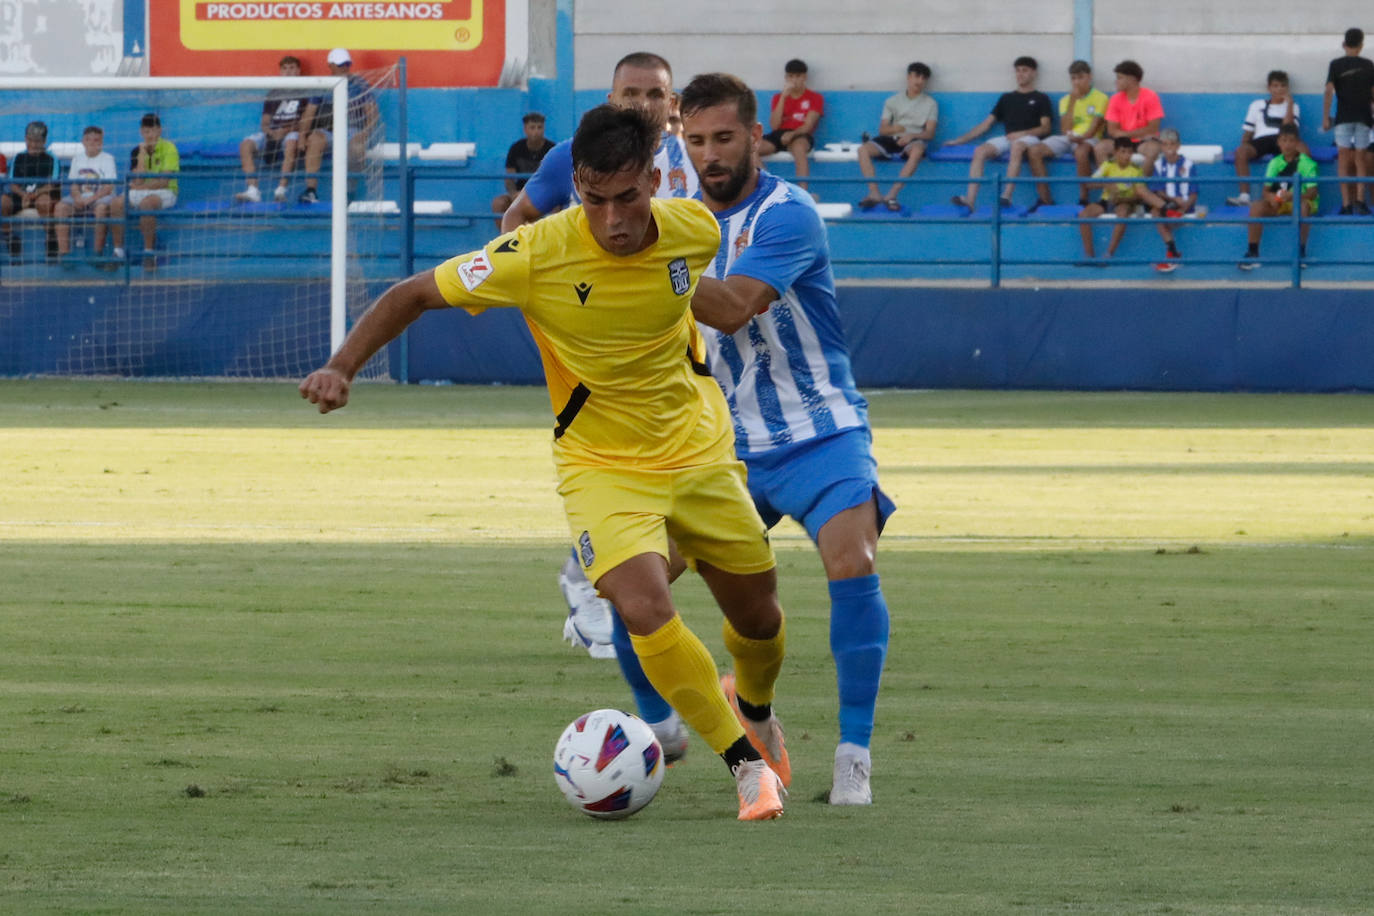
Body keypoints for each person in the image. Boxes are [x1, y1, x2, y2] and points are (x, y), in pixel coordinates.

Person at [300, 105, 788, 822]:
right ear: (578, 192)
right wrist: (342, 368)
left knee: (762, 619)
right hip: (601, 464)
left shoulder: (694, 230)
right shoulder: (534, 253)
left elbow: (685, 291)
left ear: (653, 181)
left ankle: (754, 707)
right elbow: (412, 295)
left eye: (627, 198)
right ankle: (746, 768)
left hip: (699, 451)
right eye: (594, 201)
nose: (613, 219)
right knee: (644, 606)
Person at [564, 72, 897, 806]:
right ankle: (665, 728)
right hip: (716, 443)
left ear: (755, 137)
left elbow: (736, 308)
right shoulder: (672, 216)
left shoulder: (787, 214)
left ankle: (853, 758)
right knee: (633, 589)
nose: (711, 154)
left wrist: (640, 257)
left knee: (853, 557)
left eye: (724, 138)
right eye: (697, 140)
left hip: (819, 429)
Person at [501, 51, 697, 231]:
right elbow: (517, 214)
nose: (643, 105)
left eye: (655, 95)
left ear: (671, 104)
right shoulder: (571, 155)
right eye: (630, 94)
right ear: (612, 100)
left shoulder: (694, 157)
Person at [946, 56, 1053, 212]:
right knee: (980, 151)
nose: (1020, 74)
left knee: (1017, 146)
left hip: (1030, 138)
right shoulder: (1006, 98)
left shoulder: (1041, 98)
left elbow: (1045, 128)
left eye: (1025, 70)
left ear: (1033, 73)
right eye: (1017, 71)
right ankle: (970, 200)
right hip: (1008, 137)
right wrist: (959, 140)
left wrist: (1021, 133)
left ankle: (1007, 195)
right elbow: (986, 124)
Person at [298, 48, 380, 205]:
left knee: (356, 147)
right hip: (329, 131)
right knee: (314, 139)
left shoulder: (359, 84)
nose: (345, 67)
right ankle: (311, 191)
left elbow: (372, 113)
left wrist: (365, 132)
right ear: (331, 65)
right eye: (341, 64)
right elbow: (309, 113)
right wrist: (302, 136)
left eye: (348, 64)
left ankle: (348, 193)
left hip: (352, 130)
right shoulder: (323, 86)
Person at [1026, 59, 1109, 208]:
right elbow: (1065, 129)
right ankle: (1045, 199)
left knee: (1081, 151)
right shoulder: (1066, 100)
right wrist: (1072, 101)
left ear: (1089, 77)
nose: (1077, 82)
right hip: (1069, 137)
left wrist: (1081, 138)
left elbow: (1094, 128)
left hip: (1090, 138)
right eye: (1073, 78)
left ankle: (1083, 198)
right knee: (1034, 151)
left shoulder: (1100, 97)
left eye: (1080, 77)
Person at [856, 62, 938, 212]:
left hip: (913, 139)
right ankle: (874, 193)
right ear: (908, 77)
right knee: (863, 150)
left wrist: (911, 135)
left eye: (923, 78)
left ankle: (892, 195)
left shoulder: (930, 103)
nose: (919, 81)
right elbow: (883, 129)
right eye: (916, 76)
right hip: (892, 138)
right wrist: (895, 128)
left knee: (918, 150)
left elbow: (930, 133)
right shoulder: (892, 101)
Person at [235, 55, 317, 204]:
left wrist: (284, 131)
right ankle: (253, 190)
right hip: (273, 131)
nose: (288, 71)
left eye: (292, 68)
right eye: (285, 68)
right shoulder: (273, 92)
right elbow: (265, 122)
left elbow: (305, 122)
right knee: (245, 144)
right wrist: (270, 132)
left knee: (292, 141)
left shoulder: (306, 91)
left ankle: (281, 189)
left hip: (292, 131)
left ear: (299, 70)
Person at [1239, 123, 1319, 270]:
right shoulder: (1274, 163)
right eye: (1284, 140)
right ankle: (1253, 253)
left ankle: (1300, 253)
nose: (1287, 145)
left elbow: (1312, 193)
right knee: (1257, 206)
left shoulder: (1308, 163)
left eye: (1291, 141)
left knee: (1302, 207)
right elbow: (1266, 190)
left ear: (1297, 143)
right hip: (1280, 203)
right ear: (1278, 142)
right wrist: (1271, 199)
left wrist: (1293, 196)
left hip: (1300, 201)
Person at [1077, 135, 1165, 264]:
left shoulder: (1136, 170)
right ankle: (1089, 256)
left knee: (1123, 213)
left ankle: (1108, 255)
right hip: (1107, 201)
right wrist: (1106, 184)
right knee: (1083, 215)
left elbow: (1139, 194)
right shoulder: (1108, 165)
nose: (1126, 155)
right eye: (1123, 152)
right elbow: (1089, 184)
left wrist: (1124, 198)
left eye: (1129, 152)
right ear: (1115, 152)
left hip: (1126, 202)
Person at [109, 113, 179, 271]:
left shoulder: (169, 148)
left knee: (146, 204)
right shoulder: (138, 150)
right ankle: (118, 251)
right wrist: (142, 155)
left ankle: (148, 254)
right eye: (146, 132)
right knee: (116, 203)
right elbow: (139, 179)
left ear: (159, 131)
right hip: (143, 189)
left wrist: (140, 188)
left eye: (153, 131)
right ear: (142, 132)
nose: (150, 135)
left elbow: (164, 181)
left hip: (166, 191)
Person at [1227, 70, 1302, 207]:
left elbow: (1288, 129)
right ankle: (1244, 196)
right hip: (1262, 140)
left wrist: (1289, 104)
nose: (1279, 89)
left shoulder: (1294, 106)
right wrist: (1243, 147)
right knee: (1241, 152)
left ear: (1287, 88)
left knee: (1303, 151)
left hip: (1284, 138)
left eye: (1283, 86)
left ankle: (1298, 194)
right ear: (1269, 88)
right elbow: (1248, 132)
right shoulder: (1257, 105)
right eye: (1275, 86)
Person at [1321, 28, 1374, 215]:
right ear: (1361, 46)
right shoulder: (1369, 65)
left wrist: (1325, 117)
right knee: (1360, 158)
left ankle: (1346, 203)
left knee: (1343, 159)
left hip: (1344, 117)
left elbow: (1329, 91)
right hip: (1364, 117)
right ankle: (1361, 200)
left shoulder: (1335, 64)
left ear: (1344, 45)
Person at [53, 125, 119, 262]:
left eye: (96, 140)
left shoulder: (108, 158)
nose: (92, 143)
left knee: (101, 209)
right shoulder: (77, 159)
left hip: (101, 197)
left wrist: (91, 199)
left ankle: (97, 253)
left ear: (101, 142)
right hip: (81, 197)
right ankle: (64, 254)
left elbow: (108, 187)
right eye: (89, 140)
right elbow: (74, 185)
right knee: (60, 208)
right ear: (83, 141)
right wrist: (77, 197)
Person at [757, 58, 823, 193]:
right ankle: (770, 187)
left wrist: (792, 134)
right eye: (790, 76)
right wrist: (783, 97)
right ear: (786, 78)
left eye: (798, 76)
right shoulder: (778, 97)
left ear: (804, 77)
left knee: (799, 148)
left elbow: (808, 125)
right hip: (780, 134)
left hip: (800, 134)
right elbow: (774, 126)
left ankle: (803, 192)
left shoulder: (815, 98)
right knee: (751, 149)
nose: (794, 80)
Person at [1, 120, 60, 260]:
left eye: (38, 141)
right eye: (30, 140)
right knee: (3, 201)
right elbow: (12, 184)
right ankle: (10, 239)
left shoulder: (51, 158)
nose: (33, 144)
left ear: (44, 141)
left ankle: (51, 239)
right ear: (25, 138)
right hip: (22, 195)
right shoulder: (19, 157)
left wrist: (34, 195)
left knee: (44, 201)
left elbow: (53, 183)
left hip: (41, 195)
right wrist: (23, 195)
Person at [1095, 60, 1164, 177]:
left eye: (1120, 78)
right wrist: (1131, 135)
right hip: (1122, 141)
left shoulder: (1150, 96)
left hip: (1144, 142)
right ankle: (1113, 188)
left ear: (1132, 79)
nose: (1116, 81)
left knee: (1153, 150)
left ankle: (1139, 188)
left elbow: (1153, 128)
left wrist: (1124, 134)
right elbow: (1112, 130)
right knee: (1100, 148)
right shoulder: (1115, 99)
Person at [490, 112, 555, 224]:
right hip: (520, 193)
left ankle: (549, 239)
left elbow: (556, 178)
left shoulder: (552, 149)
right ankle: (506, 239)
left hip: (545, 193)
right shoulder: (516, 148)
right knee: (498, 203)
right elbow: (509, 177)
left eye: (540, 127)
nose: (536, 131)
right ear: (525, 129)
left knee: (558, 206)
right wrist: (513, 193)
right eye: (532, 127)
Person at [1148, 128, 1197, 273]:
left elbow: (1194, 193)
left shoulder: (1188, 164)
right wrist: (1171, 199)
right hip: (1168, 206)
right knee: (1155, 211)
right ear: (1161, 147)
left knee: (1157, 213)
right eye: (1165, 144)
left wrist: (1183, 208)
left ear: (1178, 146)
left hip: (1184, 207)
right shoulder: (1158, 164)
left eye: (1172, 144)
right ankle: (1172, 252)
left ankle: (1172, 254)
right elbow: (1158, 190)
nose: (1168, 148)